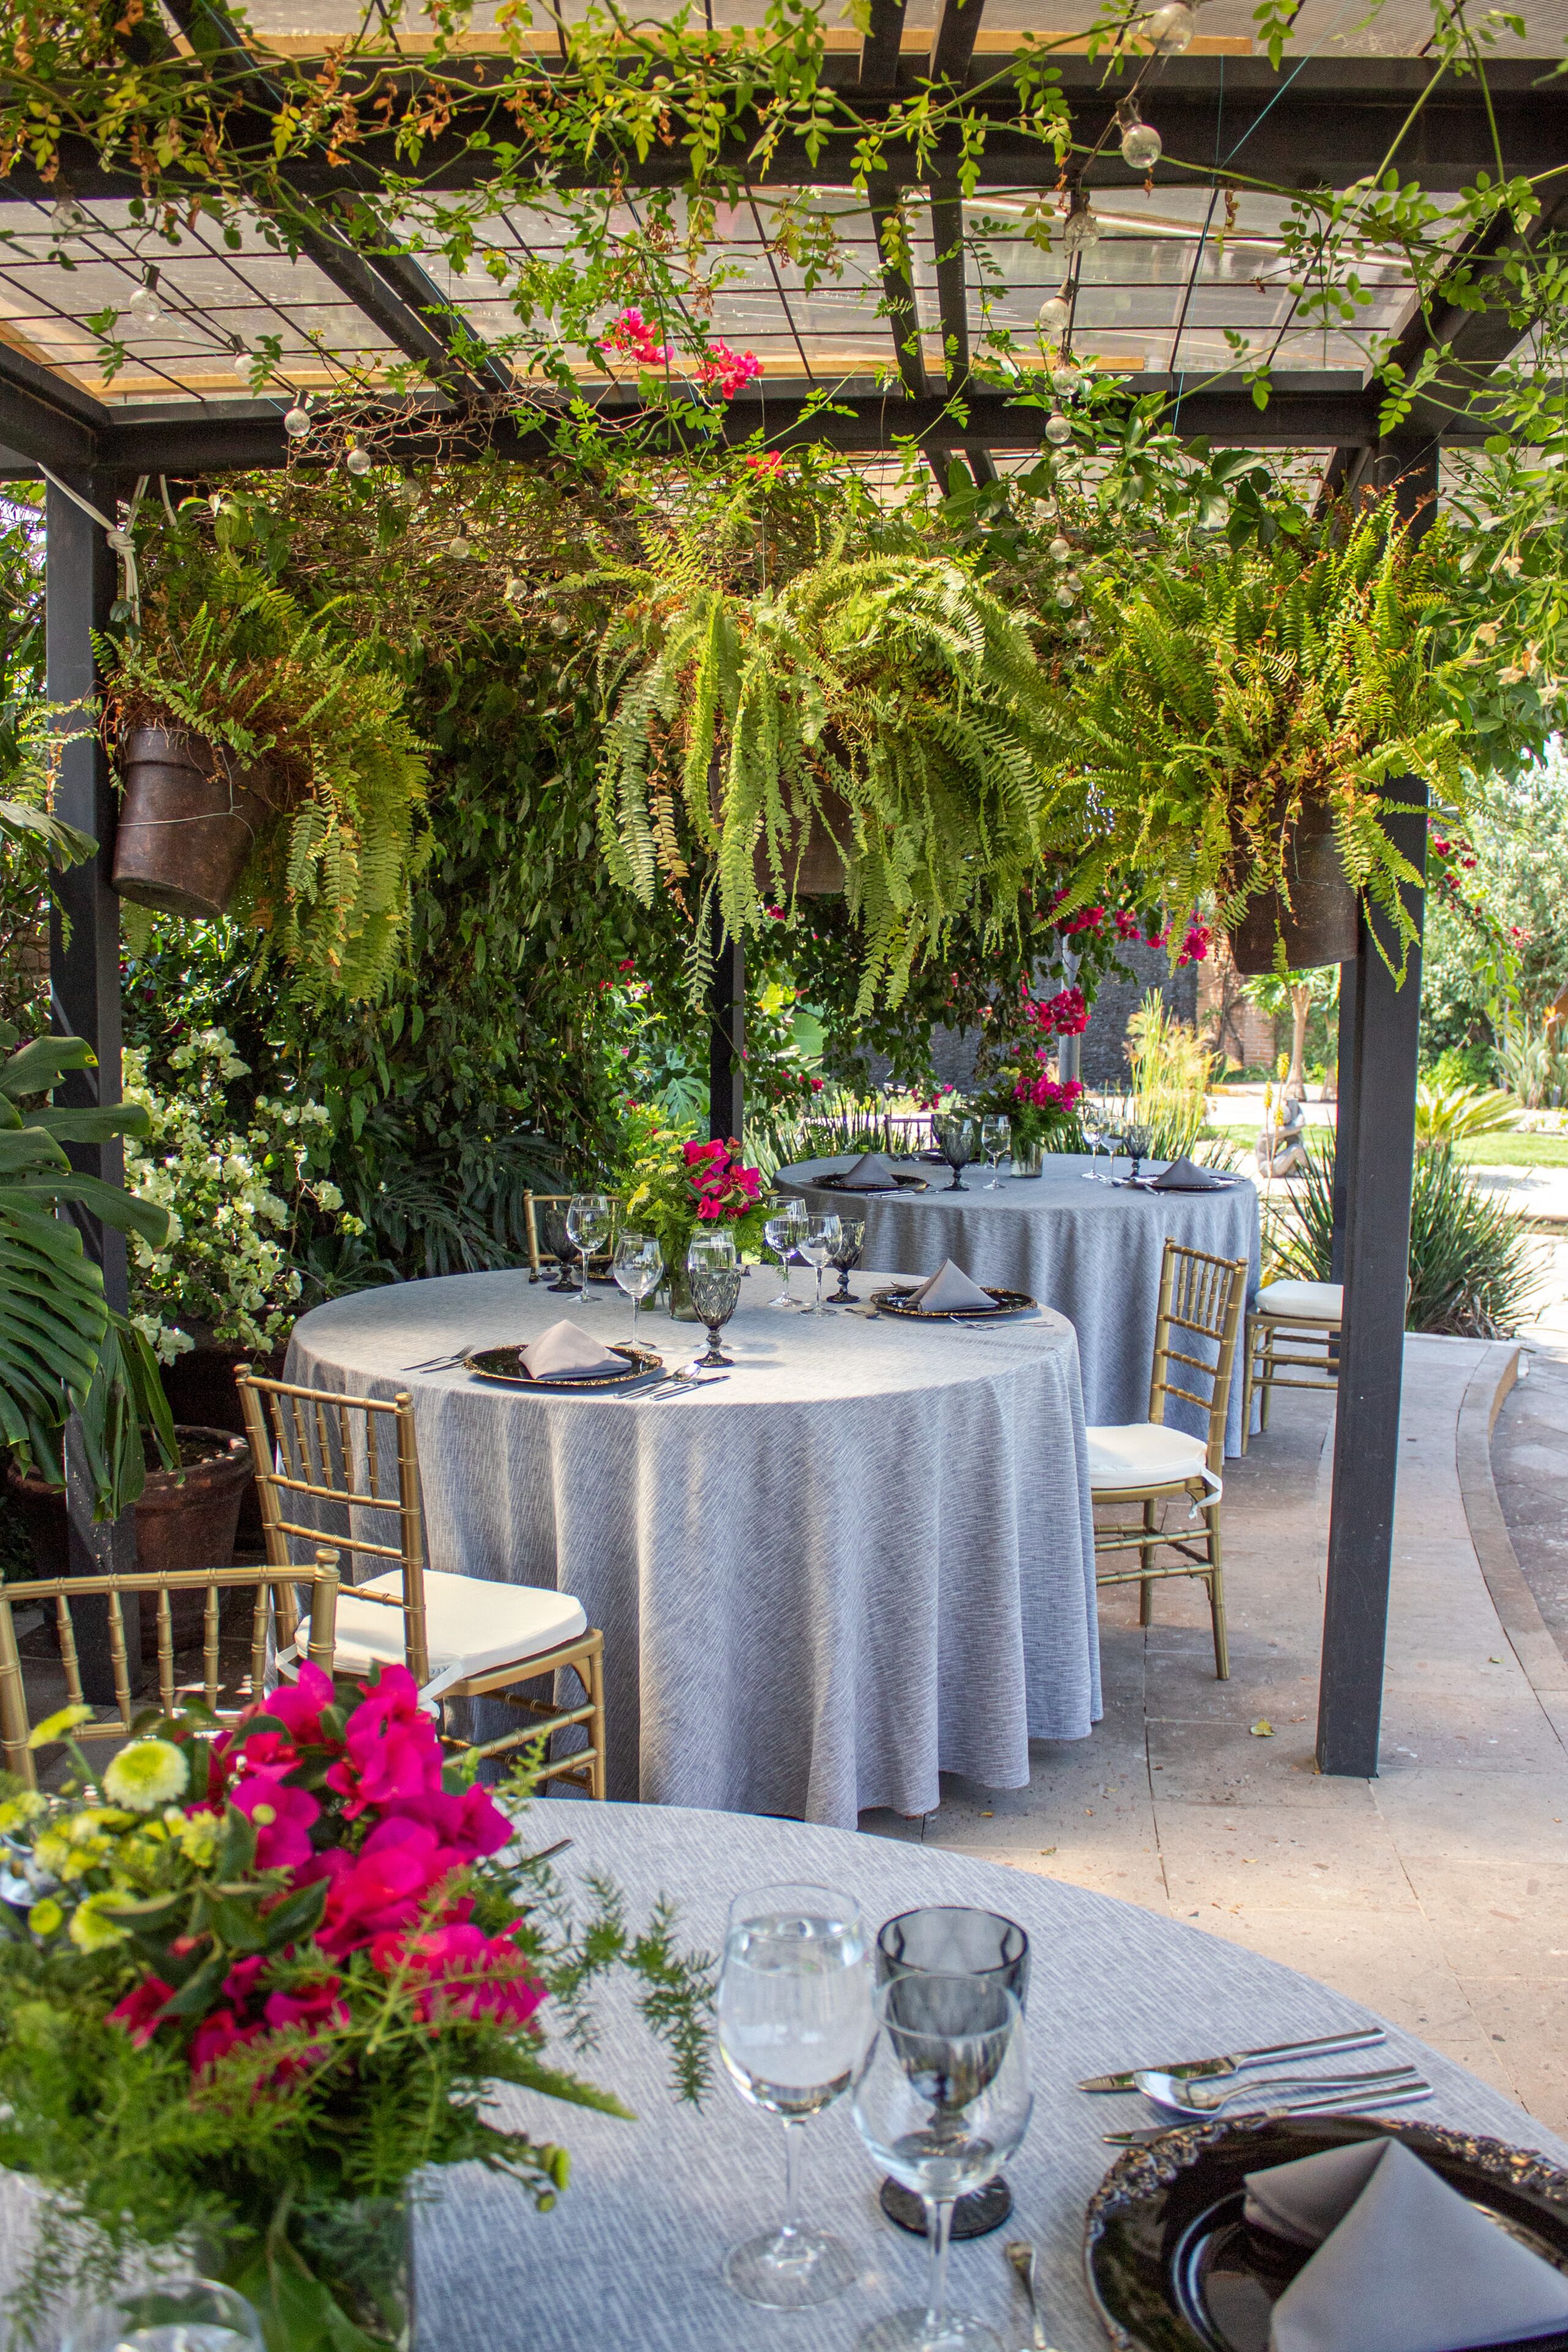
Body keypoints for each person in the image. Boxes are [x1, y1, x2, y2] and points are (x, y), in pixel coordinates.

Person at [1256, 1091, 1308, 1178]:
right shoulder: (1271, 1131)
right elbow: (1301, 1124)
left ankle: (1293, 1171)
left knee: (1294, 1145)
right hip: (1267, 1169)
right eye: (1285, 1124)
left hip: (1274, 1162)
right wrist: (1298, 1108)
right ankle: (1314, 1171)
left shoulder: (1278, 1128)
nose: (1285, 1126)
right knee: (1296, 1149)